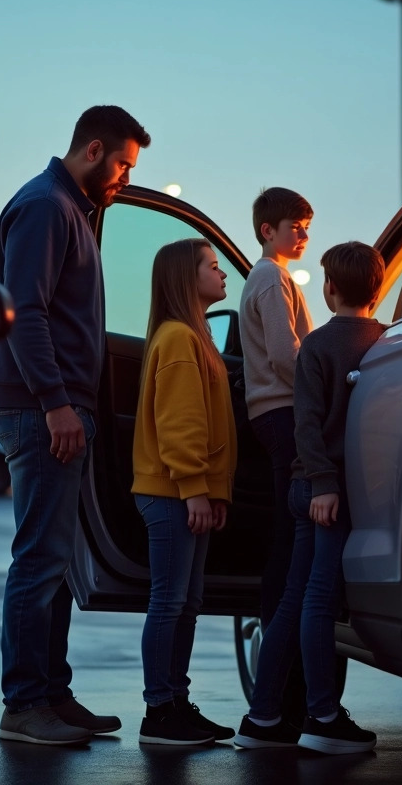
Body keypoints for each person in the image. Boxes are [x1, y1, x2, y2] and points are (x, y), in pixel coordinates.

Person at [0, 105, 150, 746]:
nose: (125, 180)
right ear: (92, 149)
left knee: (54, 561)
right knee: (38, 558)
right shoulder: (47, 208)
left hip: (53, 406)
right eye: (122, 165)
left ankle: (51, 693)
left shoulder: (70, 210)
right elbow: (24, 313)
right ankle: (24, 705)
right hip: (38, 409)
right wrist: (55, 402)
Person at [234, 241, 386, 754]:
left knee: (295, 600)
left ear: (328, 289)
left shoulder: (318, 345)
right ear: (378, 289)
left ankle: (261, 718)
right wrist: (327, 485)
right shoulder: (386, 344)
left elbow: (305, 424)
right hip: (332, 493)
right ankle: (321, 715)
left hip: (306, 487)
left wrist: (315, 482)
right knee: (319, 598)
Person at [131, 239, 238, 745]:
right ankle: (159, 712)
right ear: (185, 278)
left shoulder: (196, 338)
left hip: (186, 492)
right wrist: (195, 488)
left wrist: (213, 492)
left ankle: (176, 700)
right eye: (213, 268)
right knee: (170, 601)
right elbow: (180, 423)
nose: (223, 277)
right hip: (171, 492)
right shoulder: (177, 338)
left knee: (187, 601)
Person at [238, 186, 314, 723]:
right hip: (282, 412)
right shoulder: (269, 276)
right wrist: (328, 386)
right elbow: (287, 354)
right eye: (295, 226)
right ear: (268, 230)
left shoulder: (274, 276)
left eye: (307, 226)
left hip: (276, 412)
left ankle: (284, 685)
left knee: (286, 546)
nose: (304, 235)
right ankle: (282, 688)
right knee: (289, 548)